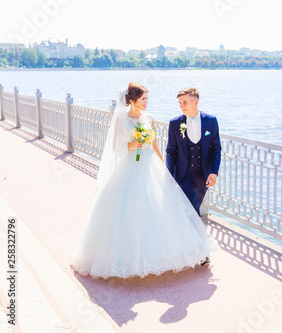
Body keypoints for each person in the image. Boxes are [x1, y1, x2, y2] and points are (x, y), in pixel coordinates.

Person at [71, 83, 219, 279]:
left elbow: (156, 145)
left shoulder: (149, 118)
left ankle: (181, 252)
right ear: (132, 100)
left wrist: (165, 170)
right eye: (143, 99)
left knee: (161, 209)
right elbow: (115, 147)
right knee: (129, 210)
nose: (146, 102)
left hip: (151, 166)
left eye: (147, 98)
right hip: (130, 166)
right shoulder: (121, 120)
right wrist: (132, 145)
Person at [166, 88, 221, 265]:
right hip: (184, 175)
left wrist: (214, 172)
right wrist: (170, 174)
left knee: (191, 212)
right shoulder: (175, 123)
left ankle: (185, 249)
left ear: (195, 102)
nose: (181, 105)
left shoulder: (211, 121)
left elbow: (216, 148)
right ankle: (202, 253)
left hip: (204, 175)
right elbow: (171, 151)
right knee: (193, 212)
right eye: (179, 102)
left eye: (185, 102)